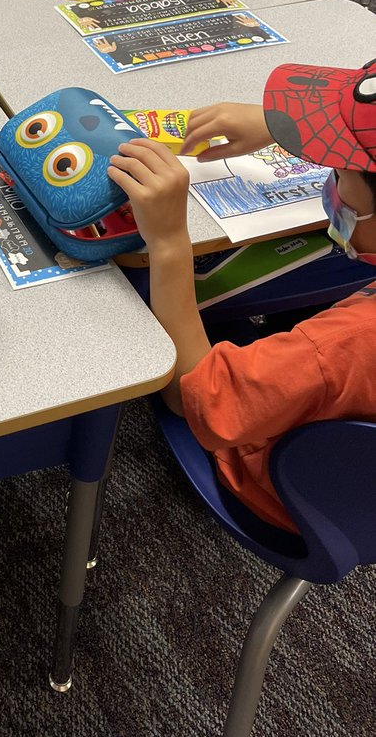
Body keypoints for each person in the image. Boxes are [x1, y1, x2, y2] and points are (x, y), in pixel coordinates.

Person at [108, 60, 376, 533]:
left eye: (338, 168)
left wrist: (170, 242)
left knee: (134, 300)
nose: (329, 180)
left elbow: (197, 400)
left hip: (299, 494)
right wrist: (284, 128)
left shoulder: (342, 346)